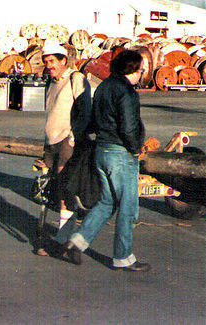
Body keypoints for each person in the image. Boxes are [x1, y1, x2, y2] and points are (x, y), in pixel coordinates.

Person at [63, 49, 150, 272]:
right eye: (141, 69)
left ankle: (78, 241)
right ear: (133, 70)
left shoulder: (104, 87)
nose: (142, 73)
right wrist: (135, 149)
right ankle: (123, 257)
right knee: (129, 207)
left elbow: (91, 119)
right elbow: (129, 126)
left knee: (106, 202)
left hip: (101, 150)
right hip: (120, 153)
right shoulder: (127, 93)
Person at [36, 39, 91, 255]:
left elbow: (86, 110)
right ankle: (60, 238)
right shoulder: (51, 83)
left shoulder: (76, 79)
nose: (48, 65)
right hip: (50, 144)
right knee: (50, 191)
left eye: (52, 61)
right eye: (45, 61)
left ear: (63, 60)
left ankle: (63, 241)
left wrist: (73, 136)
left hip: (67, 143)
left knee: (66, 192)